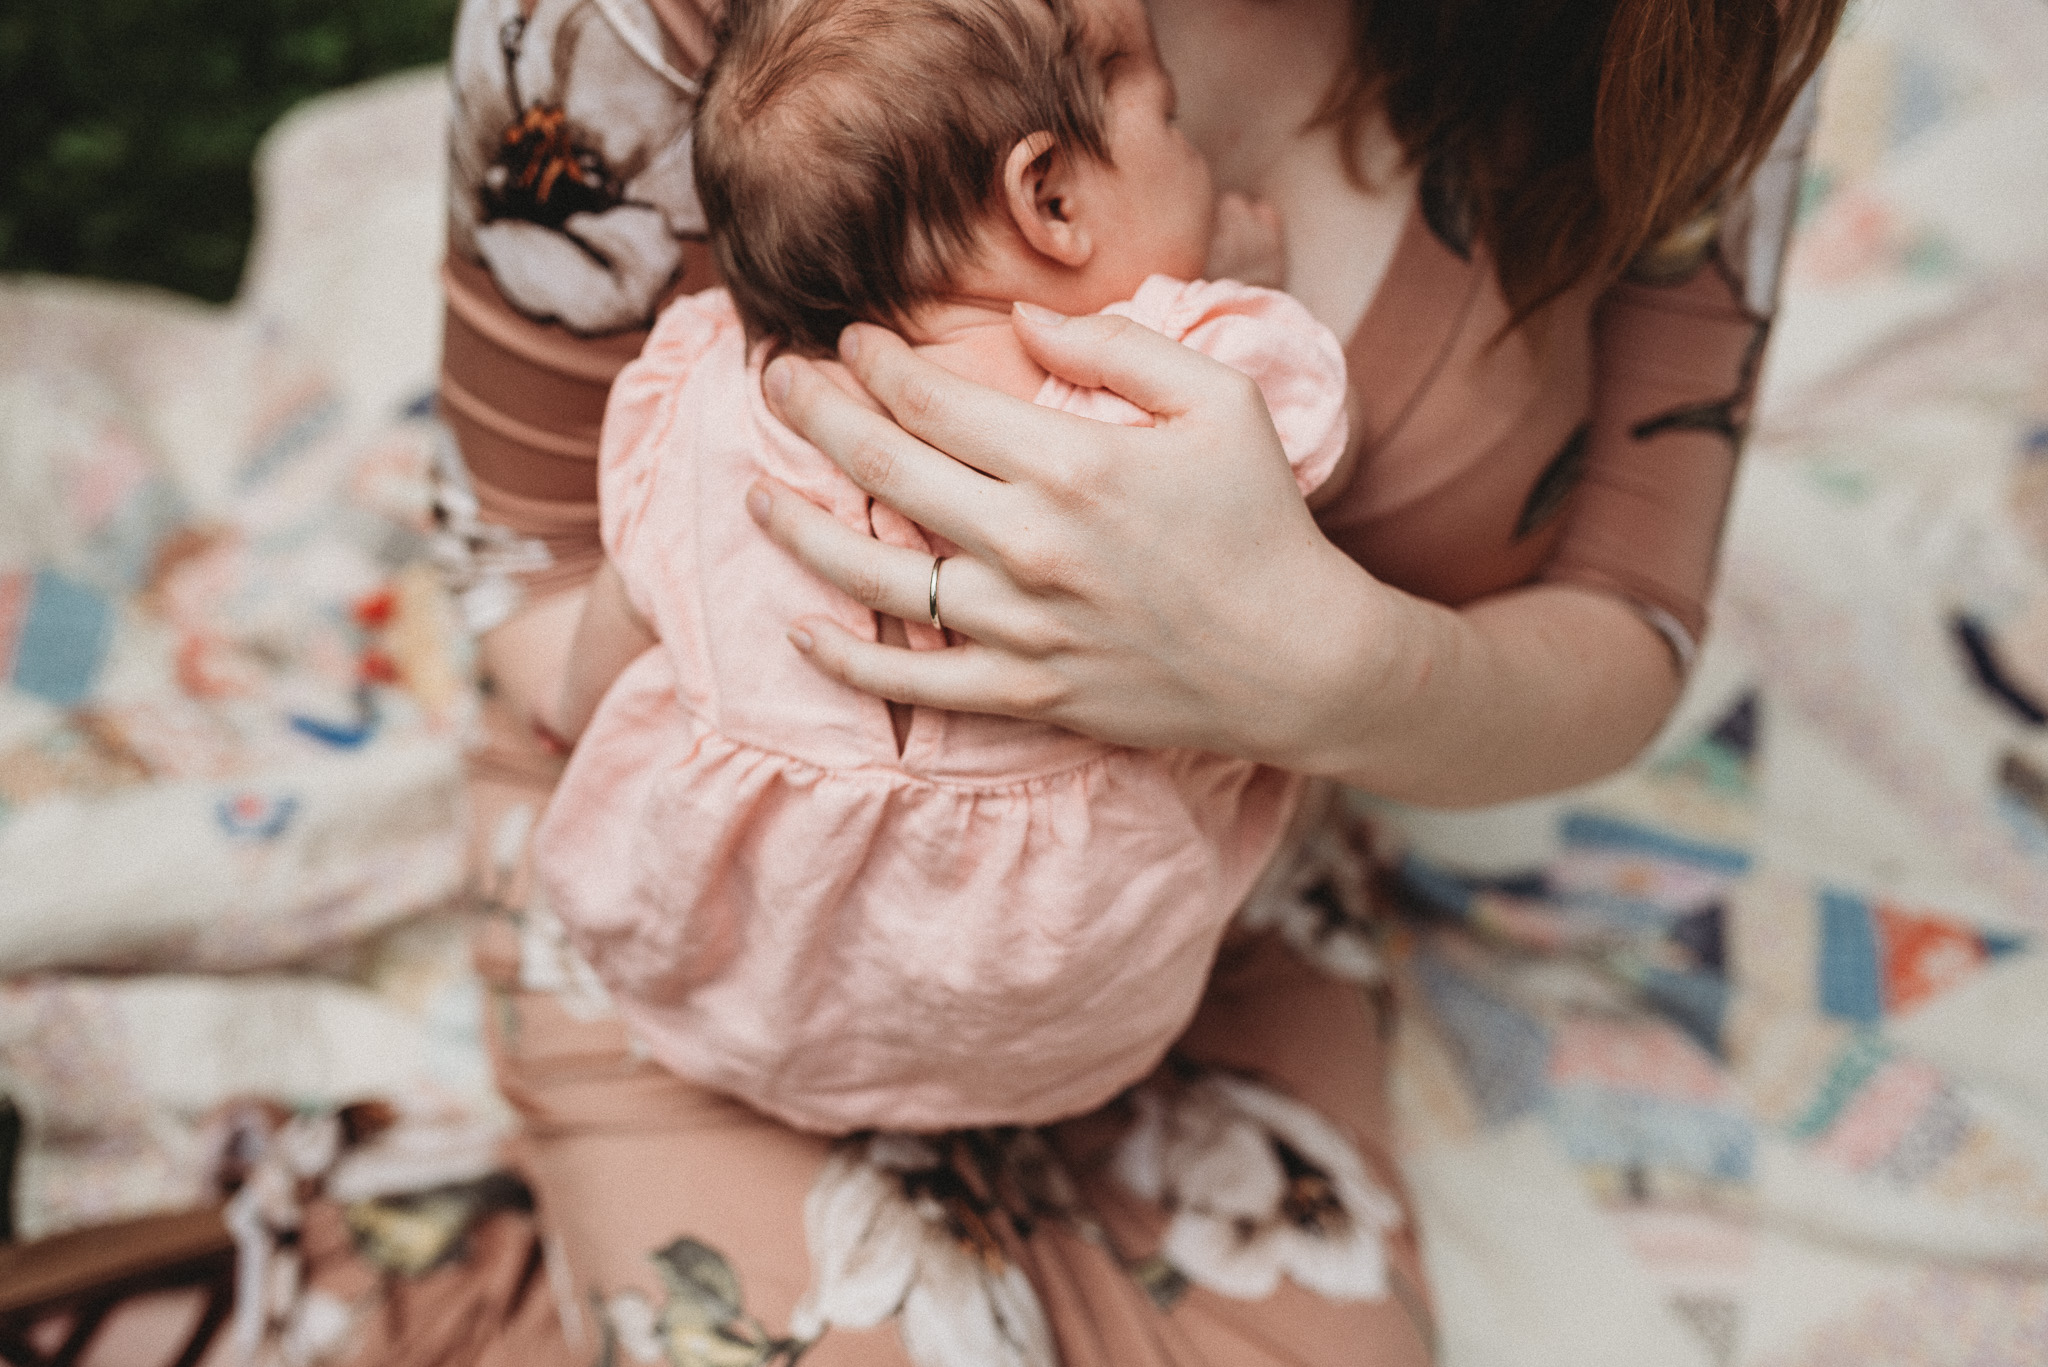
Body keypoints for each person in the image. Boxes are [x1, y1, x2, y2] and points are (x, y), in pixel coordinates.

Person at [436, 0, 1846, 1362]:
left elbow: (1628, 613)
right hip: (750, 922)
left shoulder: (1690, 33)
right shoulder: (1213, 348)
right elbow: (532, 558)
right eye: (1158, 112)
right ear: (1051, 199)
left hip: (1114, 912)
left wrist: (1346, 676)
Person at [532, 0, 1358, 1140]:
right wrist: (1244, 283)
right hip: (1052, 1014)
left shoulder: (709, 398)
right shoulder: (1182, 383)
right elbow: (1308, 445)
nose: (1196, 153)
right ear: (1052, 201)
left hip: (739, 981)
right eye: (1171, 121)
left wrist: (578, 722)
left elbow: (622, 617)